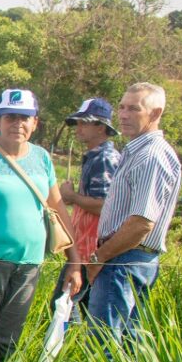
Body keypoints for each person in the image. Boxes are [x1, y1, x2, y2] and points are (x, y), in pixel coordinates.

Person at [0, 89, 83, 362]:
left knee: (7, 338)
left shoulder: (42, 158)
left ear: (35, 123)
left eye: (25, 118)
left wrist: (74, 262)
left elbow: (59, 210)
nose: (18, 124)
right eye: (10, 117)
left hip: (28, 264)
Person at [87, 83, 181, 347]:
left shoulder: (151, 155)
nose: (124, 115)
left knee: (103, 343)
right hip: (128, 258)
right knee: (125, 343)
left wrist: (100, 257)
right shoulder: (137, 150)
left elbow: (141, 222)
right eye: (122, 107)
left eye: (134, 109)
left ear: (155, 113)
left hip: (123, 259)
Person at [54, 98, 121, 313]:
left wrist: (72, 196)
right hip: (85, 248)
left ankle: (64, 345)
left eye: (84, 123)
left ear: (101, 127)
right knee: (77, 306)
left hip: (92, 248)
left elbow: (103, 206)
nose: (78, 128)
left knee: (63, 304)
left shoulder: (104, 158)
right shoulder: (95, 156)